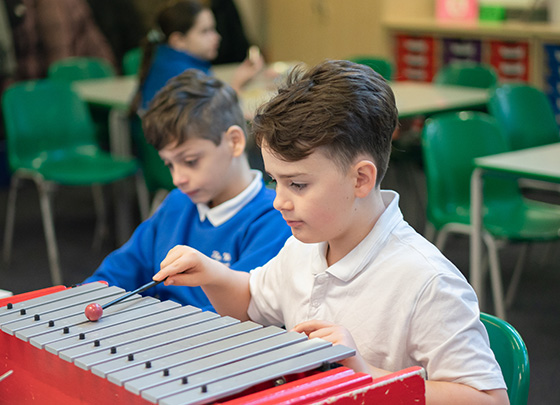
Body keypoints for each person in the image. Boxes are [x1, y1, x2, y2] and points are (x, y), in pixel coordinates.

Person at [152, 60, 509, 404]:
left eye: (298, 184)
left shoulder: (427, 282)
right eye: (275, 181)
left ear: (360, 179)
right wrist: (211, 275)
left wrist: (366, 375)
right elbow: (250, 303)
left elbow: (489, 399)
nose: (278, 202)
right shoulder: (304, 246)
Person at [84, 69, 291, 311]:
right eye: (169, 164)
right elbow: (119, 271)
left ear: (234, 142)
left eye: (190, 161)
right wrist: (85, 298)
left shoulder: (275, 218)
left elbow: (244, 313)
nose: (177, 178)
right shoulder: (177, 204)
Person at [132, 0, 263, 113]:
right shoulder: (186, 77)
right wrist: (237, 83)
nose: (217, 37)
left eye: (214, 29)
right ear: (178, 40)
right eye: (205, 31)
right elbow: (215, 118)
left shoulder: (164, 58)